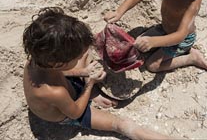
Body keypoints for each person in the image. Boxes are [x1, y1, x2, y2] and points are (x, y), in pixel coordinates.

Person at [22, 7, 172, 139]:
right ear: (58, 63)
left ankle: (91, 93)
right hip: (69, 111)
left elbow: (60, 73)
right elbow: (75, 112)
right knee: (121, 125)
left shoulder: (38, 60)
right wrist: (89, 84)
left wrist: (83, 71)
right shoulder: (55, 92)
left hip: (68, 86)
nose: (80, 57)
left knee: (86, 55)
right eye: (76, 57)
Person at [104, 0, 207, 73]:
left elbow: (180, 35)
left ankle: (191, 58)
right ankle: (169, 48)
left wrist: (154, 42)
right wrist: (119, 12)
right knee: (138, 43)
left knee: (153, 66)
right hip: (164, 28)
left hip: (182, 39)